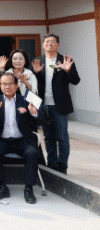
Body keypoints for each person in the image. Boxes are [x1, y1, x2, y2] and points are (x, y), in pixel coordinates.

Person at [0, 73, 45, 204]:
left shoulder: (27, 99)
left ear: (17, 85)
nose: (7, 87)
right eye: (4, 84)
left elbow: (42, 119)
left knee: (32, 152)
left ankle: (28, 189)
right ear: (0, 86)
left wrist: (34, 113)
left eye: (10, 84)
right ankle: (2, 187)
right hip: (3, 140)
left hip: (23, 140)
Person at [32, 34, 80, 174]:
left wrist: (68, 70)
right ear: (43, 45)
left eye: (53, 42)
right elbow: (32, 84)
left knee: (62, 137)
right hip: (43, 106)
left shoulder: (65, 60)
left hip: (60, 106)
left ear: (58, 45)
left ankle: (62, 165)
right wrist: (35, 73)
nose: (50, 44)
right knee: (48, 137)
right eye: (47, 41)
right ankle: (52, 164)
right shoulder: (37, 61)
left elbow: (76, 80)